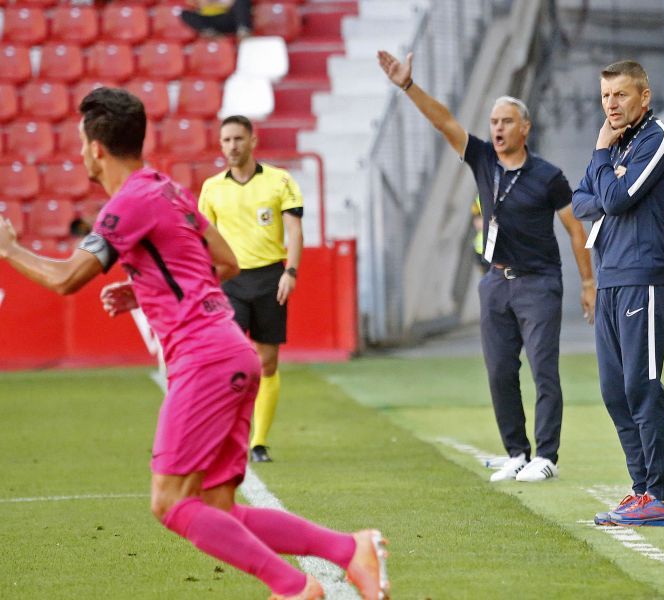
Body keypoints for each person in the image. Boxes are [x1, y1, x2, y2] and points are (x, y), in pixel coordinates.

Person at [0, 88, 388, 600]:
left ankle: (294, 587)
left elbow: (68, 278)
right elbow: (226, 263)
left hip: (203, 360)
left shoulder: (126, 205)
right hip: (232, 352)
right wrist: (144, 291)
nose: (79, 154)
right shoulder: (168, 190)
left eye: (80, 144)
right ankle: (348, 550)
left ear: (96, 148)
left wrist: (8, 249)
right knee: (218, 507)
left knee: (171, 503)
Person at [377, 50, 595, 483]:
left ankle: (546, 455)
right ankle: (516, 450)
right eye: (494, 121)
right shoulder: (482, 160)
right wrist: (407, 86)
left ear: (525, 128)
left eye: (506, 121)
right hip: (495, 282)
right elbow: (444, 122)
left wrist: (587, 281)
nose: (497, 128)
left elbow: (574, 229)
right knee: (499, 370)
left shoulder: (548, 176)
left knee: (543, 369)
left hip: (539, 284)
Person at [572, 60, 664, 526]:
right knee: (614, 392)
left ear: (644, 95)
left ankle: (661, 495)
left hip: (643, 278)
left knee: (642, 387)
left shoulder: (658, 141)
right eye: (605, 97)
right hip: (611, 279)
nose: (611, 106)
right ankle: (641, 491)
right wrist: (608, 178)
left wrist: (602, 158)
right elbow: (580, 201)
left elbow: (614, 200)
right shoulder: (620, 147)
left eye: (620, 95)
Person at [198, 115, 304, 464]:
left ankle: (258, 442)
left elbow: (295, 231)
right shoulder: (212, 188)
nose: (232, 146)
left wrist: (290, 271)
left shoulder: (280, 181)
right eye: (226, 140)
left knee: (267, 362)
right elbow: (204, 239)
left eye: (238, 139)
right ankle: (222, 432)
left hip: (271, 277)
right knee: (228, 358)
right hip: (230, 280)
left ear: (252, 141)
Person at [180, 0, 252, 40]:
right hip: (209, 20)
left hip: (226, 17)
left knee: (242, 1)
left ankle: (243, 31)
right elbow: (198, 4)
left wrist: (214, 2)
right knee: (185, 14)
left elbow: (230, 3)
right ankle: (211, 33)